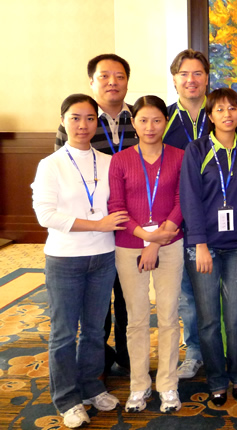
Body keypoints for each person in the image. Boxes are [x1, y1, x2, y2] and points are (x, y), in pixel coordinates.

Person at [32, 94, 128, 428]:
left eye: (89, 118)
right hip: (65, 259)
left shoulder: (109, 162)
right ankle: (67, 398)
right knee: (63, 333)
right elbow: (46, 215)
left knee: (93, 330)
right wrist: (97, 224)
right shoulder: (51, 164)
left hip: (103, 257)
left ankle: (91, 387)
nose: (83, 125)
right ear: (63, 121)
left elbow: (119, 204)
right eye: (75, 118)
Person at [55, 53, 136, 377]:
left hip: (132, 228)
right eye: (104, 76)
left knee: (130, 299)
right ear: (92, 81)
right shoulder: (79, 120)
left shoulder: (140, 117)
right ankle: (97, 361)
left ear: (127, 81)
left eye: (119, 76)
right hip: (94, 231)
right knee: (96, 305)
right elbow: (64, 173)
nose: (112, 82)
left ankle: (130, 358)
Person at [180, 88, 237, 406]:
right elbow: (189, 198)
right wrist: (199, 243)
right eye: (220, 109)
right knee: (209, 318)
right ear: (210, 116)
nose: (227, 114)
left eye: (233, 108)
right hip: (204, 246)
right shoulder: (197, 150)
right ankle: (216, 380)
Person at [108, 95, 185, 413]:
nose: (150, 126)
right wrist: (145, 236)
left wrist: (155, 242)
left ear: (165, 122)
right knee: (136, 319)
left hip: (170, 243)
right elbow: (116, 207)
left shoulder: (179, 156)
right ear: (134, 122)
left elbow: (182, 200)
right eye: (143, 120)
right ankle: (139, 385)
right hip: (129, 245)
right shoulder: (120, 160)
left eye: (156, 120)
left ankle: (168, 384)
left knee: (168, 316)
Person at [162, 49, 212, 379]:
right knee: (186, 293)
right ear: (175, 79)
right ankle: (193, 350)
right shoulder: (162, 118)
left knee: (225, 288)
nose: (191, 80)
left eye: (197, 73)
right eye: (184, 74)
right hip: (176, 218)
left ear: (207, 78)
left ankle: (233, 347)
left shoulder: (223, 113)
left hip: (220, 217)